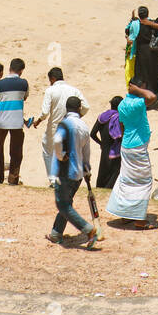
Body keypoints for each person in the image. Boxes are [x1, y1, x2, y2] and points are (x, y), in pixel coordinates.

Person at [47, 96, 99, 248]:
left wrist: (61, 156)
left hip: (65, 172)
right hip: (78, 174)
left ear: (66, 108)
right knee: (66, 203)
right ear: (79, 109)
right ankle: (56, 234)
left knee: (62, 205)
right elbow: (86, 152)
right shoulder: (83, 126)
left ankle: (88, 230)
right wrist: (87, 170)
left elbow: (57, 140)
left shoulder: (65, 124)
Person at [105, 82, 157, 228]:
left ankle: (125, 215)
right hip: (137, 147)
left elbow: (122, 126)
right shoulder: (138, 103)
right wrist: (139, 90)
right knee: (143, 181)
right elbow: (152, 97)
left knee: (127, 179)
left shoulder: (122, 104)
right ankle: (139, 220)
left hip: (126, 145)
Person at [33, 67, 90, 181]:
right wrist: (78, 117)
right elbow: (86, 107)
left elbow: (45, 112)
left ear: (53, 79)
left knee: (48, 151)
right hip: (72, 125)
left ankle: (53, 179)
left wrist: (38, 121)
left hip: (54, 127)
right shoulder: (74, 90)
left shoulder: (50, 90)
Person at [0, 59, 29, 185]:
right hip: (17, 122)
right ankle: (13, 179)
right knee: (16, 152)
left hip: (2, 121)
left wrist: (1, 102)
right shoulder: (24, 83)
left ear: (9, 68)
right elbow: (25, 97)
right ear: (21, 70)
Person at [131, 6, 158, 102]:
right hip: (155, 53)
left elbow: (128, 33)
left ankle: (146, 96)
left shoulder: (136, 25)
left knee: (143, 75)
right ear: (147, 14)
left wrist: (132, 19)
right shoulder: (153, 24)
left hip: (142, 54)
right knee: (157, 73)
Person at [90, 97, 123, 189]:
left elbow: (92, 134)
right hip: (115, 151)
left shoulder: (102, 117)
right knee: (114, 174)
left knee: (102, 174)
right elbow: (120, 136)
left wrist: (101, 143)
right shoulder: (119, 119)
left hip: (104, 150)